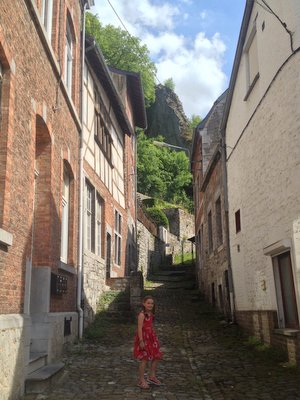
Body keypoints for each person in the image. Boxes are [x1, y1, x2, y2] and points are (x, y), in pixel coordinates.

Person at [133, 295, 163, 389]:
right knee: (144, 358)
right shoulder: (142, 315)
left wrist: (153, 337)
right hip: (143, 338)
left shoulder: (151, 314)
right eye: (148, 303)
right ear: (144, 304)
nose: (150, 305)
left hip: (151, 337)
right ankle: (141, 380)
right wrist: (141, 340)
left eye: (152, 303)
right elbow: (139, 328)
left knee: (156, 355)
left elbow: (150, 325)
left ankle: (152, 376)